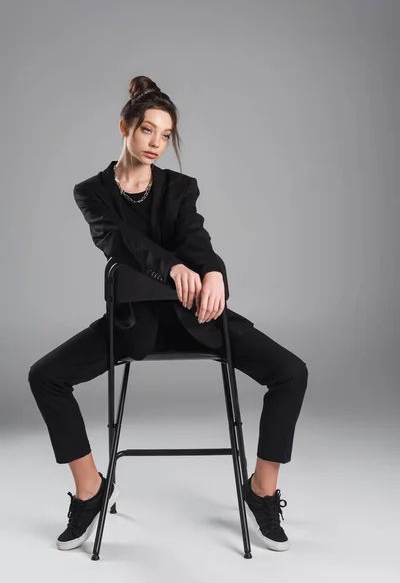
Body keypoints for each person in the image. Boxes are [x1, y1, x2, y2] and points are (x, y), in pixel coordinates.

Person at [28, 75, 308, 553]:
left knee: (291, 373)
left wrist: (215, 272)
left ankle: (260, 491)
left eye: (165, 135)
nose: (156, 143)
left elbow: (195, 237)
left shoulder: (180, 188)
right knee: (45, 377)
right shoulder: (91, 192)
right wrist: (174, 265)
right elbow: (119, 242)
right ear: (125, 126)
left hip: (197, 317)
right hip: (132, 326)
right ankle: (91, 489)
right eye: (147, 131)